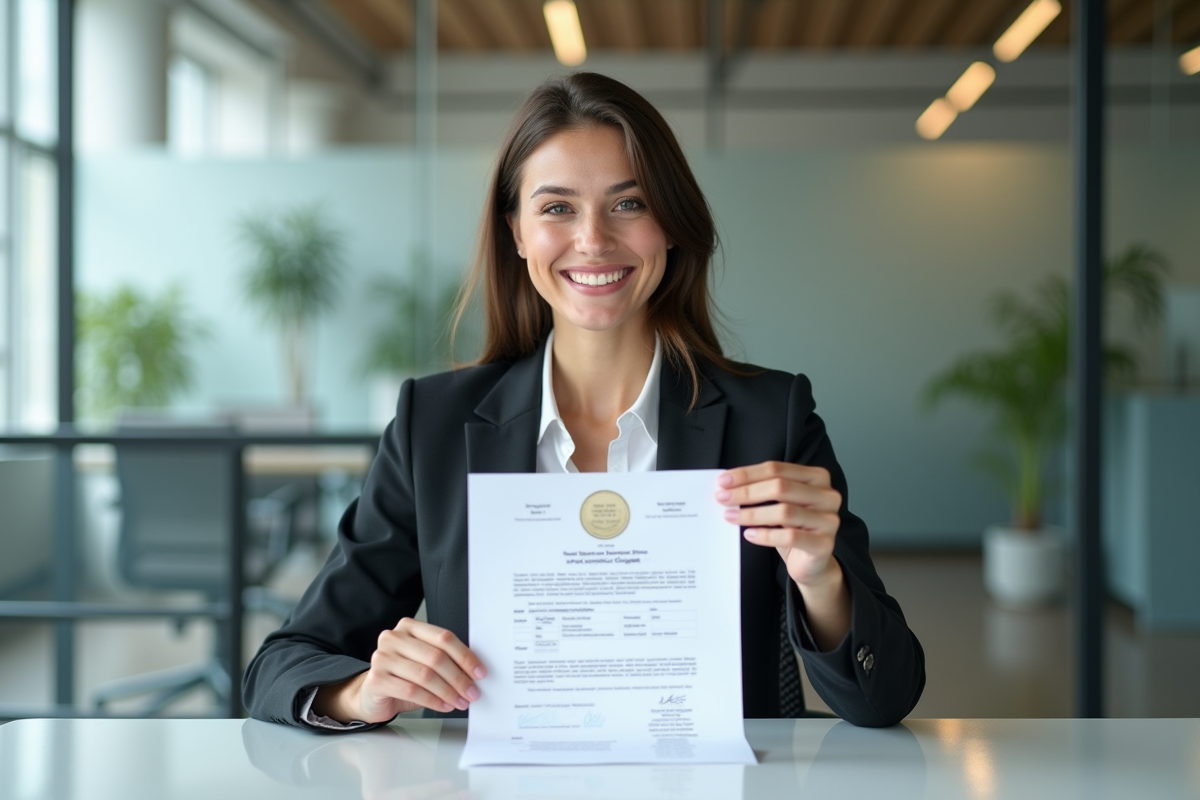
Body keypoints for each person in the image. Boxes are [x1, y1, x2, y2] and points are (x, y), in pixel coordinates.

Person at [243, 72, 925, 730]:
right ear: (516, 232)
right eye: (557, 207)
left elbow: (886, 695)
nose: (593, 239)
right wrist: (362, 691)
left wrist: (819, 578)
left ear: (671, 225)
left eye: (629, 203)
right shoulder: (434, 427)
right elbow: (282, 664)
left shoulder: (769, 420)